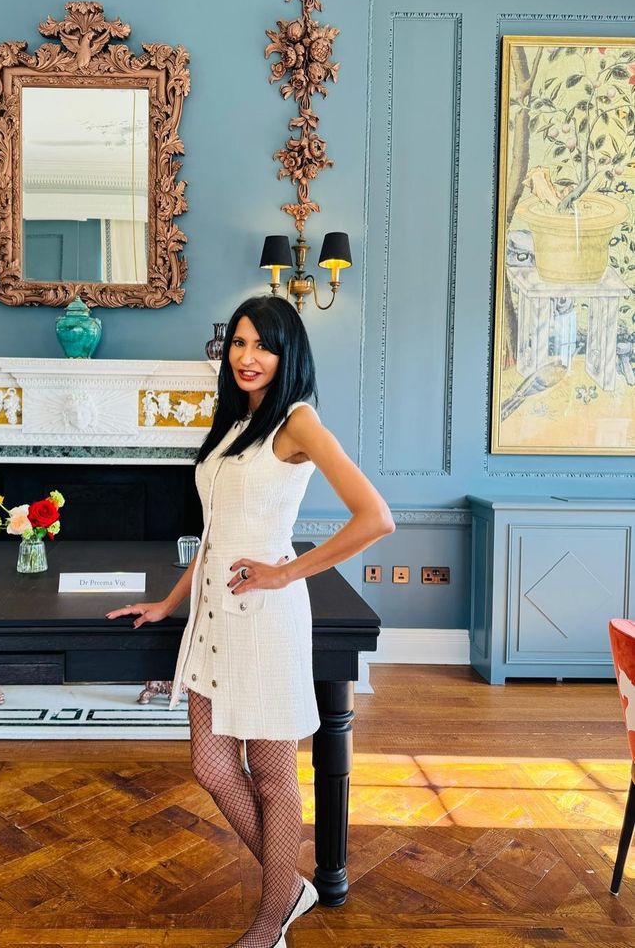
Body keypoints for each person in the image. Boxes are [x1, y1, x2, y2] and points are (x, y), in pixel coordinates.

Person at [106, 295, 394, 948]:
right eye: (237, 342)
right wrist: (168, 601)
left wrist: (284, 571)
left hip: (264, 619)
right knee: (211, 768)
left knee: (270, 774)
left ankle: (271, 920)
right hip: (211, 618)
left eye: (261, 344)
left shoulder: (297, 420)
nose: (246, 356)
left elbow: (374, 516)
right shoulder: (236, 423)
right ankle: (289, 886)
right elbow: (214, 534)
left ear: (285, 352)